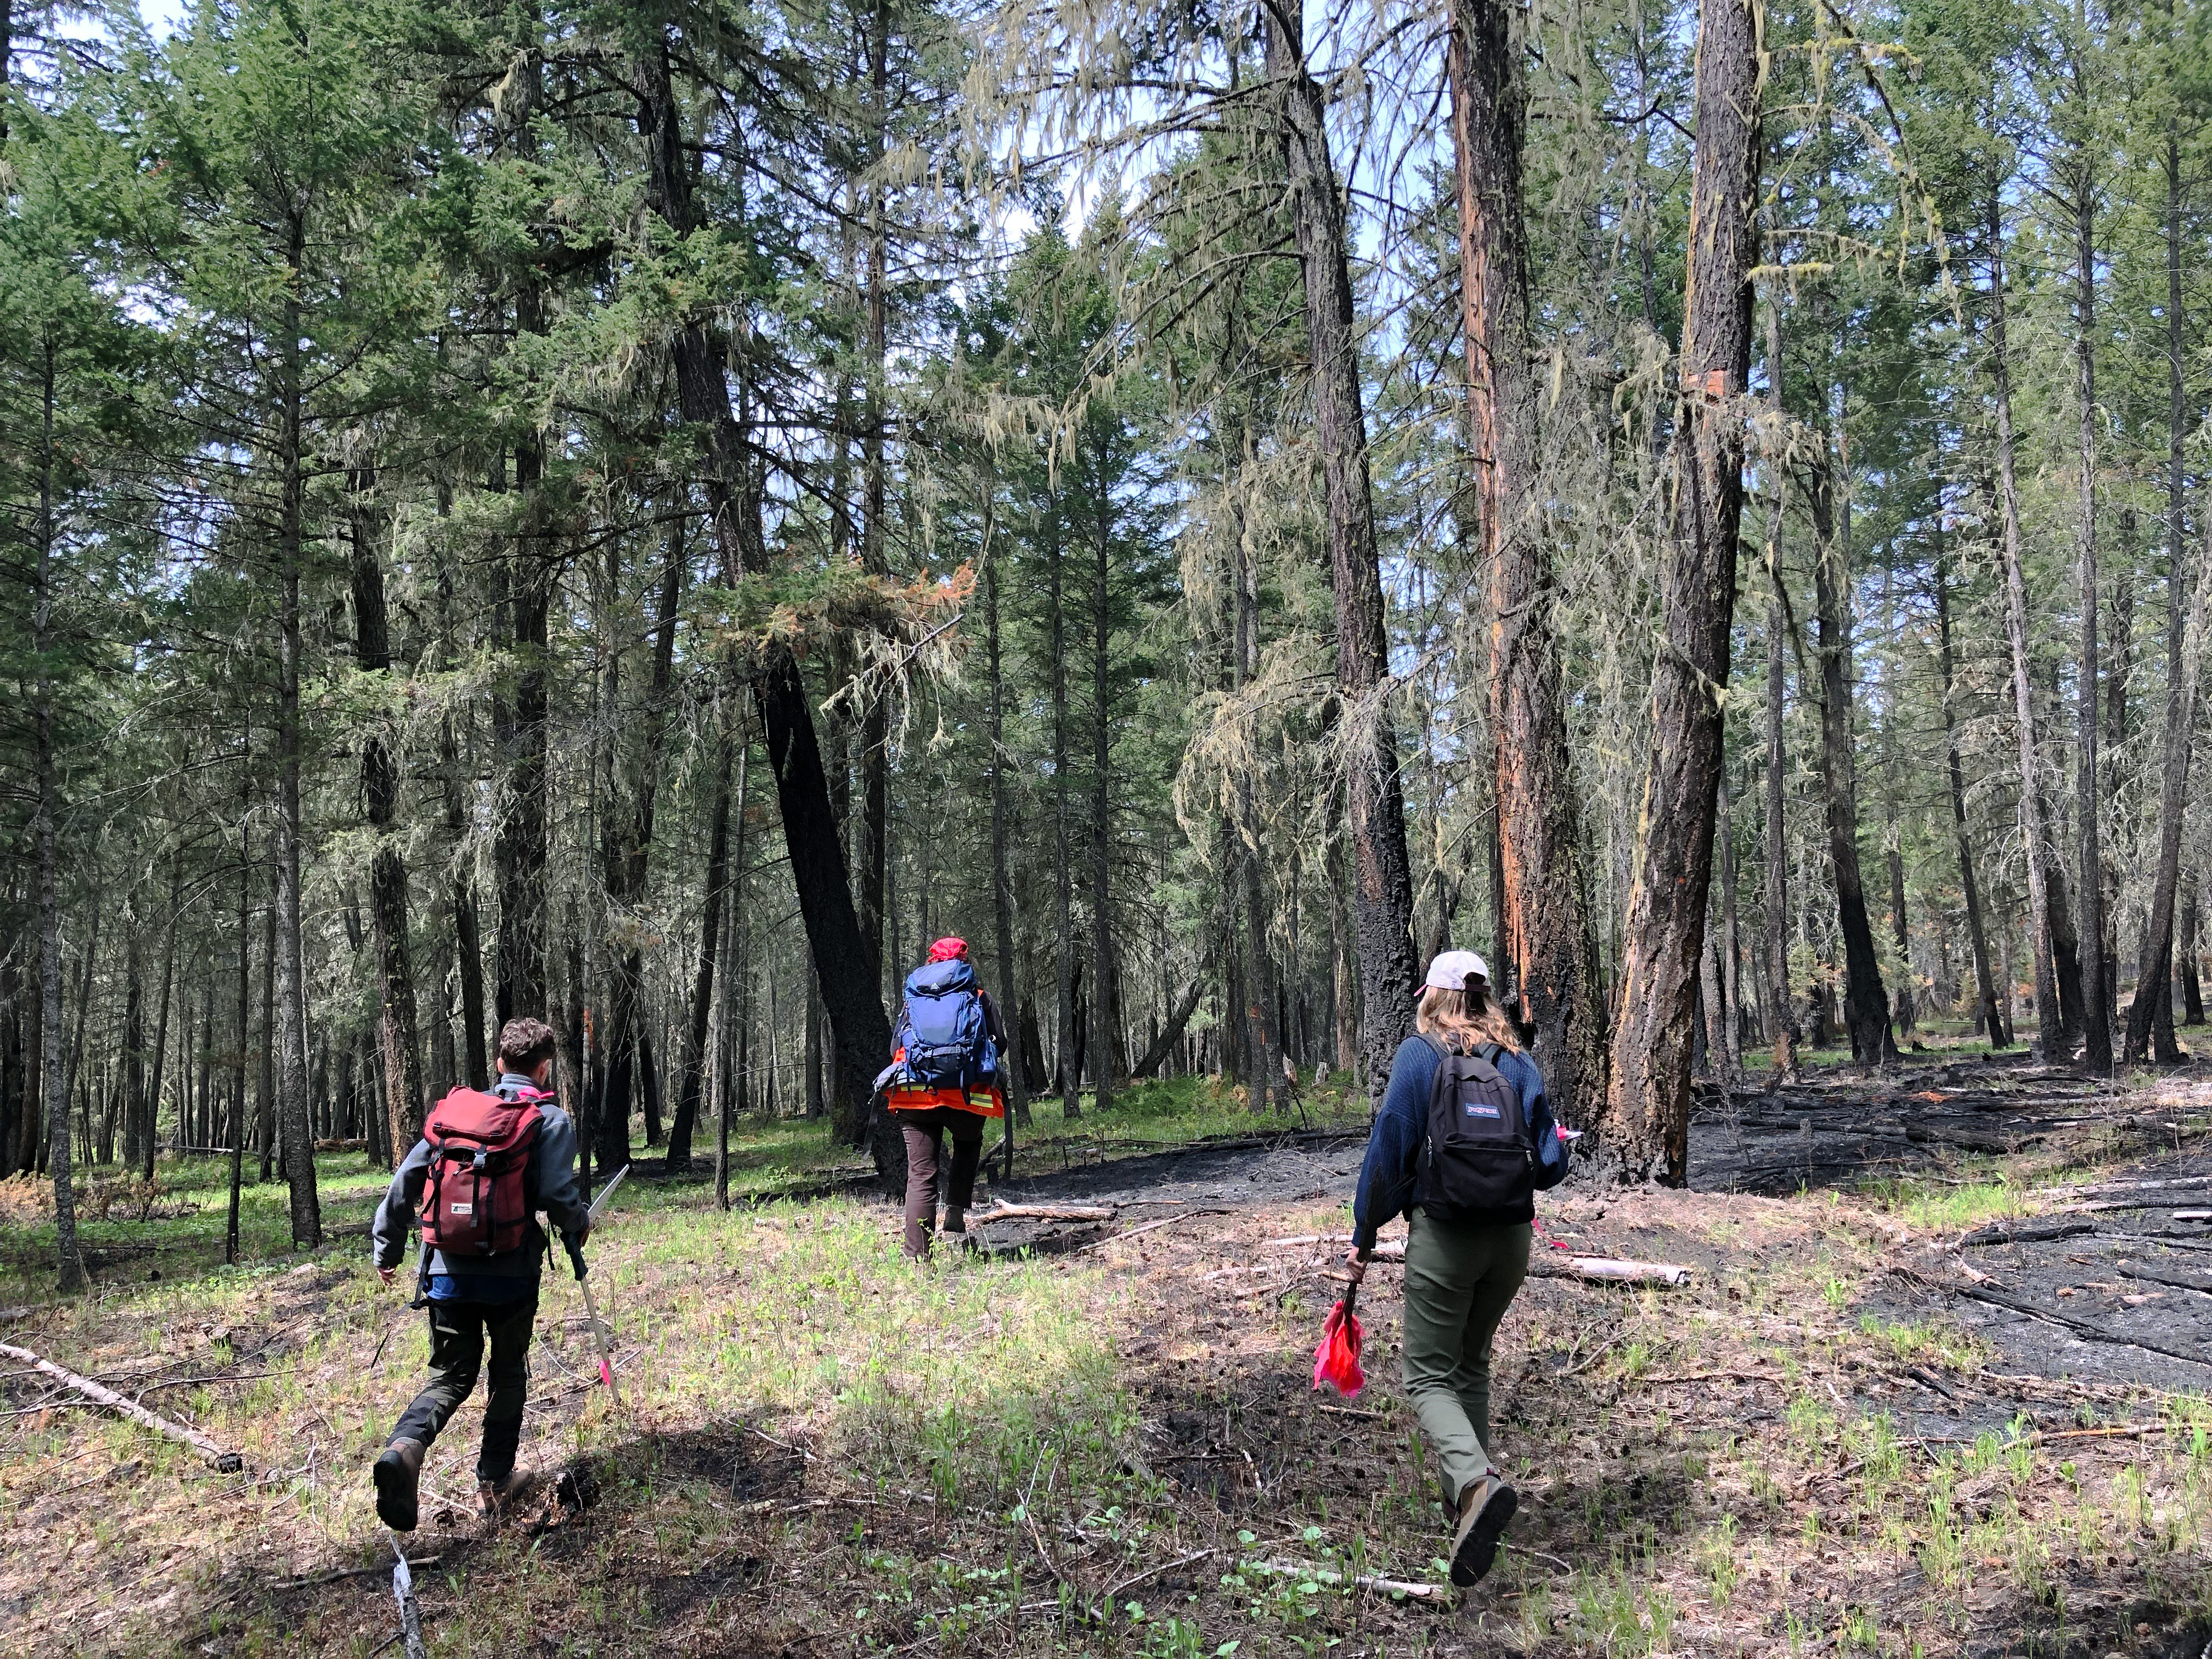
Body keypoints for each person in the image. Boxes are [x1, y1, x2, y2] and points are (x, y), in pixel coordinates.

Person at [1345, 949, 1568, 1587]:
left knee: (1425, 1376)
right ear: (1484, 997)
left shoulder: (1419, 1056)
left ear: (1432, 998)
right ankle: (1464, 1509)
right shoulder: (1516, 1061)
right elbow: (1551, 1166)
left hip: (1446, 1237)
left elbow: (1388, 1153)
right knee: (1469, 1363)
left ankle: (1476, 1481)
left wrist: (1364, 1234)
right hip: (1510, 1244)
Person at [370, 1016, 590, 1528]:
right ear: (543, 1068)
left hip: (446, 1272)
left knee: (452, 1373)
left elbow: (406, 1183)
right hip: (511, 1275)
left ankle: (405, 1448)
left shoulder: (455, 1116)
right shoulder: (548, 1120)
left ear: (499, 1064)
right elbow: (557, 1196)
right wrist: (578, 1223)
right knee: (508, 1371)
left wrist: (387, 1248)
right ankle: (494, 1483)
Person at [877, 936, 1007, 1257]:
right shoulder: (978, 997)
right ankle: (955, 1215)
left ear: (931, 962)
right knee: (968, 1143)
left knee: (921, 1175)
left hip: (915, 1098)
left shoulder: (914, 999)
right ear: (964, 962)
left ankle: (918, 1259)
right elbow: (999, 1044)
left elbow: (896, 1049)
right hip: (966, 1095)